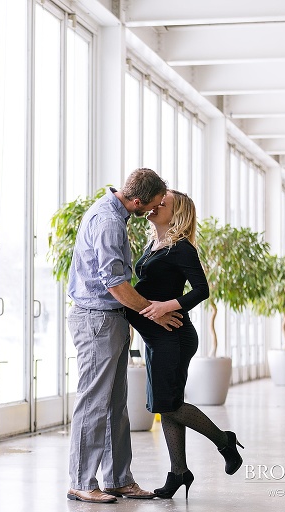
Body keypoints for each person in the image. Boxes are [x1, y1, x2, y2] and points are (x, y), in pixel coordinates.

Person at [66, 168, 183, 504]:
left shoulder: (116, 215)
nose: (154, 210)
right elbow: (115, 284)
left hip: (110, 320)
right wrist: (153, 311)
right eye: (154, 204)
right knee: (93, 402)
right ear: (136, 200)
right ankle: (81, 481)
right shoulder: (107, 221)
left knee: (115, 404)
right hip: (96, 321)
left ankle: (118, 479)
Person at [126, 189, 244, 500]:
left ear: (176, 214)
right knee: (166, 405)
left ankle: (224, 441)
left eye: (162, 203)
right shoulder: (154, 244)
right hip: (156, 337)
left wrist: (167, 306)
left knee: (170, 404)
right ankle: (178, 472)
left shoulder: (181, 249)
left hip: (174, 336)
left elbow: (202, 290)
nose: (154, 205)